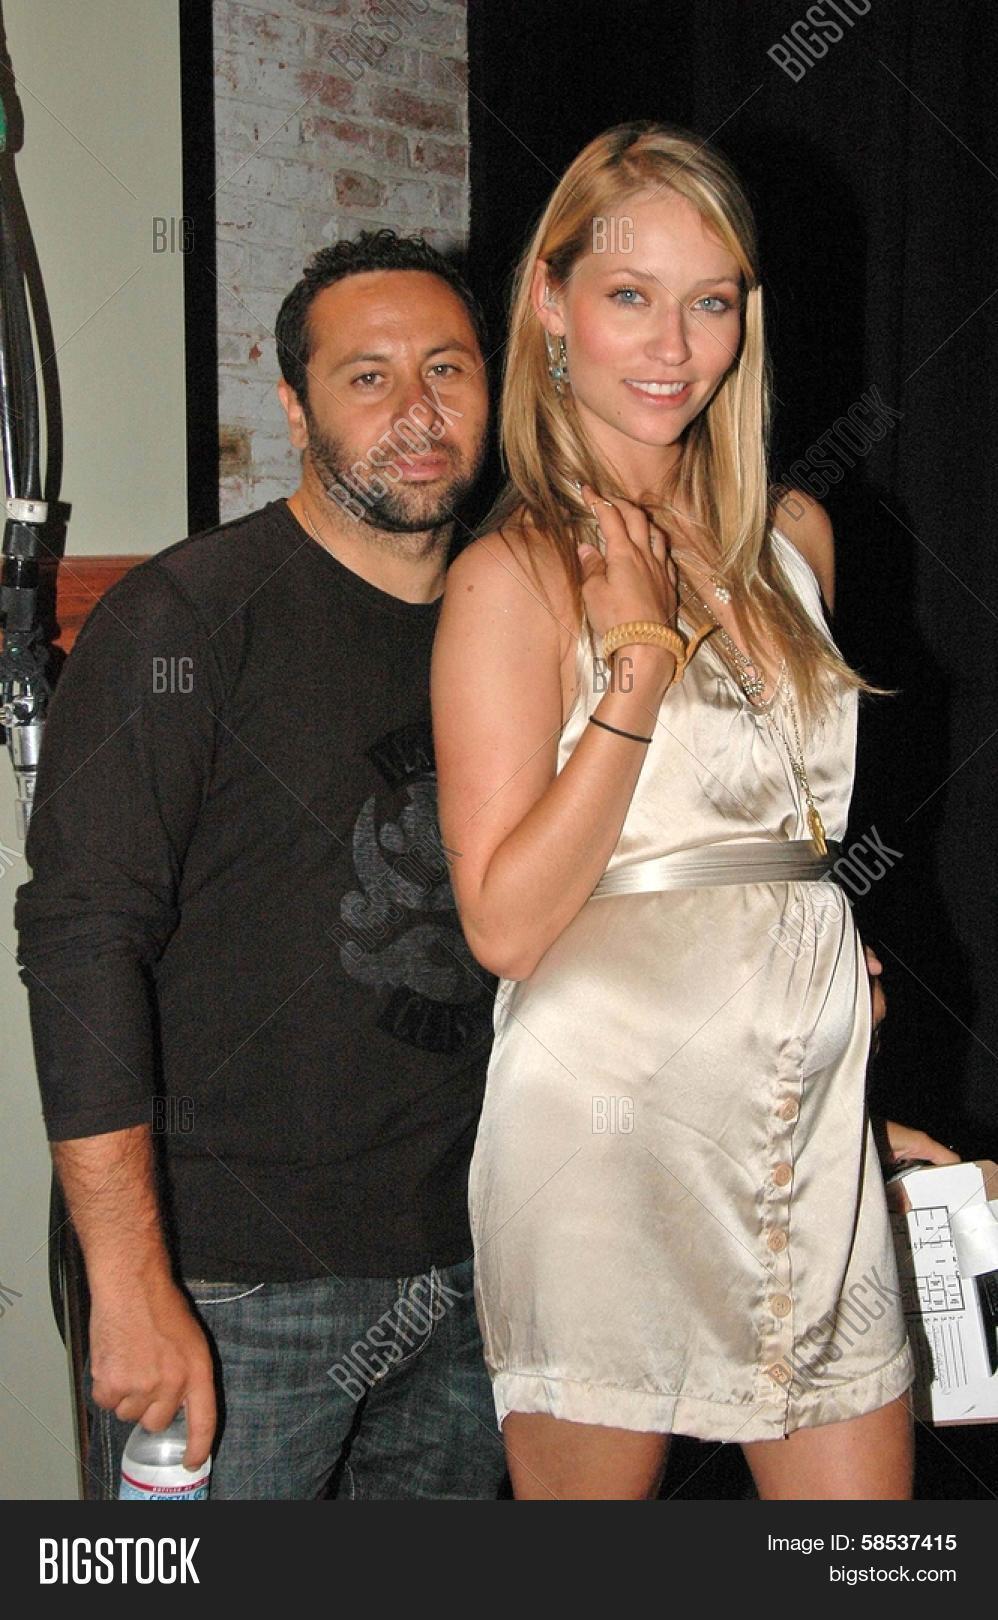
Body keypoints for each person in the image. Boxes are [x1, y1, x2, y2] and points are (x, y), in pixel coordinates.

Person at [431, 121, 923, 1500]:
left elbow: (777, 839)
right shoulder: (513, 575)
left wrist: (828, 1001)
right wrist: (638, 662)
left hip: (798, 1117)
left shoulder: (793, 538)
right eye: (628, 295)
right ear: (550, 305)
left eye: (709, 301)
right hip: (602, 1128)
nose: (671, 345)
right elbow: (504, 926)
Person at [15, 229, 506, 1500]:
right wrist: (129, 1280)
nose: (417, 410)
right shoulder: (184, 620)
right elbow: (79, 943)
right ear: (294, 407)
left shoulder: (514, 613)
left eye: (448, 368)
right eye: (368, 377)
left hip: (478, 1266)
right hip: (232, 1282)